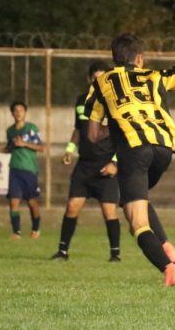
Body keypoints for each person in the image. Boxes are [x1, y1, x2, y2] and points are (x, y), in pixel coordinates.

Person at [86, 33, 175, 286]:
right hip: (164, 148)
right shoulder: (152, 75)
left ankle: (169, 269)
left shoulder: (102, 82)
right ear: (140, 58)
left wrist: (115, 126)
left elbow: (93, 135)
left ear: (114, 58)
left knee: (135, 221)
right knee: (138, 198)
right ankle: (167, 246)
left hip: (134, 150)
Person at [50, 61, 123, 262]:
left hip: (106, 165)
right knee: (72, 206)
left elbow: (123, 135)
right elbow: (78, 128)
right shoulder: (81, 101)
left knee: (109, 211)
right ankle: (62, 252)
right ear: (89, 79)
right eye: (95, 78)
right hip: (84, 165)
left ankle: (115, 254)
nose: (98, 82)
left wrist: (115, 164)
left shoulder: (114, 103)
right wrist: (69, 150)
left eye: (102, 78)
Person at [0, 101, 44, 240]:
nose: (18, 113)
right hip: (14, 169)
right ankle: (16, 232)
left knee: (31, 202)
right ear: (12, 113)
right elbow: (11, 148)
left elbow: (41, 147)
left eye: (21, 110)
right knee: (13, 201)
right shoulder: (10, 131)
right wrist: (0, 150)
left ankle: (36, 228)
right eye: (15, 111)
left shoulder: (31, 128)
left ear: (25, 112)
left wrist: (25, 144)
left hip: (29, 169)